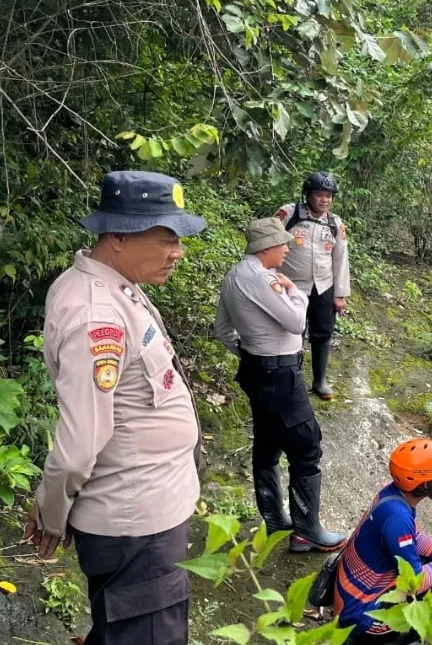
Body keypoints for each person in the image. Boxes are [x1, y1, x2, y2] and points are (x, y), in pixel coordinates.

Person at [22, 170, 206, 645]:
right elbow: (78, 447)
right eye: (167, 238)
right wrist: (51, 511)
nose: (178, 252)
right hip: (136, 527)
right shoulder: (95, 315)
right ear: (120, 234)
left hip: (148, 512)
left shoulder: (117, 285)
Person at [215, 217, 345, 553]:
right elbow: (296, 321)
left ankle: (275, 520)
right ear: (266, 248)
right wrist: (295, 292)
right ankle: (306, 531)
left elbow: (223, 331)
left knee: (268, 442)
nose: (288, 249)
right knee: (306, 445)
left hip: (258, 372)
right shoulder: (261, 279)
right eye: (283, 245)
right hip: (281, 376)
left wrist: (250, 352)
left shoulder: (233, 276)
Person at [332, 438, 432, 643]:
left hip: (350, 600)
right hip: (361, 617)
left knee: (431, 564)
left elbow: (415, 539)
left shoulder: (392, 496)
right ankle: (402, 639)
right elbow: (415, 583)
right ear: (426, 483)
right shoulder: (398, 517)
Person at [275, 171, 350, 401]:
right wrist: (269, 276)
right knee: (290, 332)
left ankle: (320, 380)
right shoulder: (289, 214)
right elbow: (270, 242)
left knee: (323, 332)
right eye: (320, 195)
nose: (325, 200)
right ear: (308, 194)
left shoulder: (335, 223)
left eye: (329, 196)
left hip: (323, 287)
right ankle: (291, 380)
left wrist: (340, 295)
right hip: (291, 285)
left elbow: (341, 259)